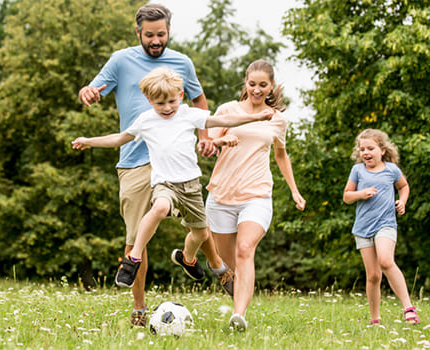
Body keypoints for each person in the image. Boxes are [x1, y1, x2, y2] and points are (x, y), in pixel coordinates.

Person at [77, 4, 233, 327]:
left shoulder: (182, 63)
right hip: (135, 161)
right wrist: (89, 93)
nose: (156, 40)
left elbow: (199, 101)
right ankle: (139, 308)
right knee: (136, 237)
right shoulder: (121, 60)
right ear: (138, 33)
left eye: (161, 34)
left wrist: (205, 137)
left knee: (198, 222)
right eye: (149, 35)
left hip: (175, 158)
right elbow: (93, 89)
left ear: (168, 31)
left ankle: (217, 265)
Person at [72, 67, 272, 291]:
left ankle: (187, 257)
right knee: (158, 208)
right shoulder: (146, 120)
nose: (166, 108)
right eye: (160, 103)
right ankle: (133, 258)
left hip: (191, 186)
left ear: (180, 96)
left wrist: (255, 116)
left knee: (201, 233)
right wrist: (90, 141)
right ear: (149, 100)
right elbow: (120, 138)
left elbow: (223, 120)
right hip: (164, 184)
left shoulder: (188, 114)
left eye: (170, 101)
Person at [204, 59, 306, 331]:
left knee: (245, 249)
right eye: (252, 84)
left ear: (271, 86)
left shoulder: (277, 119)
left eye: (263, 85)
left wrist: (294, 190)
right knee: (228, 266)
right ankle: (235, 291)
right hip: (222, 195)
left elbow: (281, 155)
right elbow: (207, 142)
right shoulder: (228, 110)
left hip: (257, 195)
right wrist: (220, 141)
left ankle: (239, 315)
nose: (257, 90)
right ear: (245, 83)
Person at [343, 128, 419, 325]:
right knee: (374, 275)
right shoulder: (357, 171)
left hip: (386, 224)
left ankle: (408, 308)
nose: (366, 153)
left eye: (371, 148)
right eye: (362, 149)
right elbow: (347, 196)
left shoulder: (391, 170)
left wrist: (402, 201)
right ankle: (375, 320)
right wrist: (362, 193)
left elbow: (404, 186)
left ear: (382, 150)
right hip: (362, 228)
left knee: (386, 261)